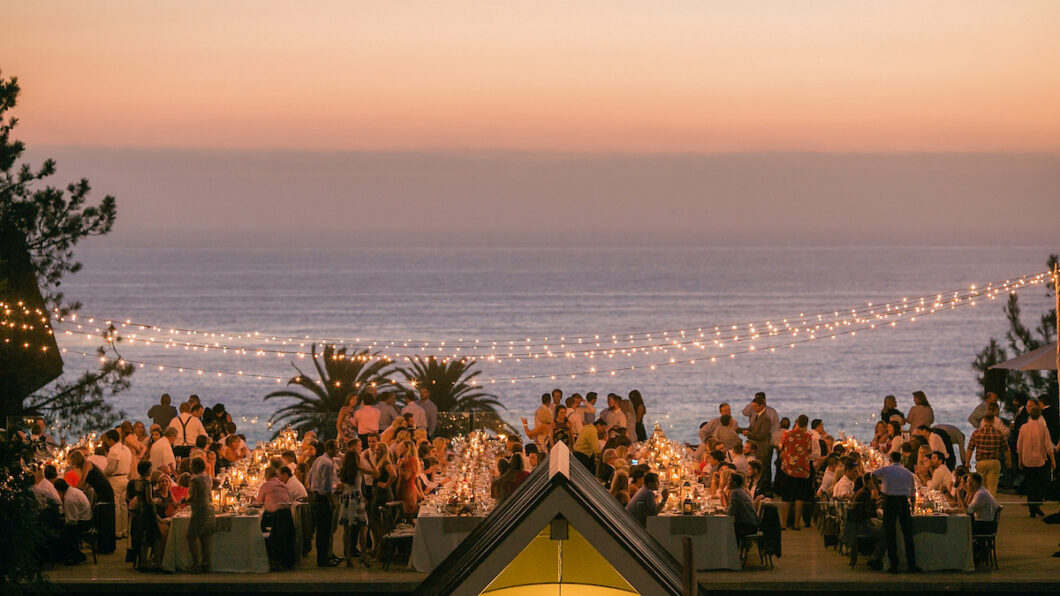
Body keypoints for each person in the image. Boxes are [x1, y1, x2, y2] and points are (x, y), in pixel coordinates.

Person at [870, 451, 920, 573]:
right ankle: (911, 564)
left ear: (891, 459)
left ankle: (894, 565)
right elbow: (913, 493)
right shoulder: (908, 473)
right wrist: (913, 507)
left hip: (890, 501)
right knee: (907, 534)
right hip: (903, 502)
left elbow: (872, 475)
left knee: (890, 533)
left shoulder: (886, 469)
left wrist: (879, 490)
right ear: (901, 460)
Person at [1016, 404, 1055, 517]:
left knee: (1030, 484)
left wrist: (1020, 460)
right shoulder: (1043, 428)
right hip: (1040, 460)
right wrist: (1052, 460)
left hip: (1027, 459)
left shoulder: (1023, 428)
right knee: (1039, 484)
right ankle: (1036, 504)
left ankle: (1032, 507)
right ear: (1039, 415)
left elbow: (1019, 446)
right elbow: (1048, 445)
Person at [254, 466, 296, 569]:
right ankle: (286, 561)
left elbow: (259, 502)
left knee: (263, 527)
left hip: (277, 516)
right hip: (287, 514)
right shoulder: (283, 485)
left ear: (267, 476)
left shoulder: (266, 485)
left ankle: (270, 558)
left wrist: (252, 501)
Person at [127, 460, 165, 570]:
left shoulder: (136, 482)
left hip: (140, 513)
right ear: (146, 470)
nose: (152, 470)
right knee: (156, 538)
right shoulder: (147, 483)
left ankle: (143, 561)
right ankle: (156, 561)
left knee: (144, 539)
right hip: (148, 513)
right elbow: (149, 500)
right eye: (150, 468)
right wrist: (157, 501)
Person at [308, 439, 340, 566]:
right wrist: (331, 501)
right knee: (324, 531)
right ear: (329, 449)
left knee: (322, 531)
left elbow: (309, 477)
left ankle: (325, 556)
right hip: (323, 500)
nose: (338, 451)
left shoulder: (318, 460)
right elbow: (326, 486)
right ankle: (323, 560)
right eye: (336, 448)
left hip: (315, 497)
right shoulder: (327, 464)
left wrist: (313, 488)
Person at [779, 415, 813, 530]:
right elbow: (809, 450)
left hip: (789, 469)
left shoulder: (787, 435)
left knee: (786, 497)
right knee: (800, 497)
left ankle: (783, 523)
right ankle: (797, 523)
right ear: (806, 424)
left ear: (796, 422)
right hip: (803, 470)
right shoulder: (808, 437)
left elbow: (781, 448)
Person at [967, 413, 1010, 496]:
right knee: (992, 488)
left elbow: (970, 449)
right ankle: (991, 507)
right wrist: (1008, 460)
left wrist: (967, 462)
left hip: (981, 463)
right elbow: (1006, 449)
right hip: (994, 462)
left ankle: (982, 506)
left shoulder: (976, 433)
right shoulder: (998, 433)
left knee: (981, 488)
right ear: (993, 421)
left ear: (984, 421)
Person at [185, 457, 215, 572]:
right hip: (209, 509)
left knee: (191, 536)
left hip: (199, 511)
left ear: (196, 466)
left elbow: (193, 497)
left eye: (192, 464)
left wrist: (184, 500)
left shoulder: (195, 480)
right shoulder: (207, 476)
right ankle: (206, 563)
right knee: (205, 537)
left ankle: (196, 563)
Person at [103, 429, 133, 539]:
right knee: (124, 505)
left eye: (107, 440)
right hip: (125, 477)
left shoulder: (113, 451)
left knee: (116, 506)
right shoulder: (126, 449)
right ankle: (125, 530)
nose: (106, 442)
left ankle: (117, 531)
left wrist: (104, 473)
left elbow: (110, 468)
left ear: (111, 440)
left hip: (115, 479)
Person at [54, 479, 92, 565]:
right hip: (86, 518)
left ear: (59, 490)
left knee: (64, 533)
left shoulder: (69, 499)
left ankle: (76, 556)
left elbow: (72, 520)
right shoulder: (74, 491)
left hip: (82, 522)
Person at [727, 473, 759, 543]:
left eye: (729, 480)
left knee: (725, 528)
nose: (727, 482)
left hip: (746, 526)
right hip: (753, 524)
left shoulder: (735, 492)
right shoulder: (743, 490)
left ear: (735, 483)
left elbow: (731, 512)